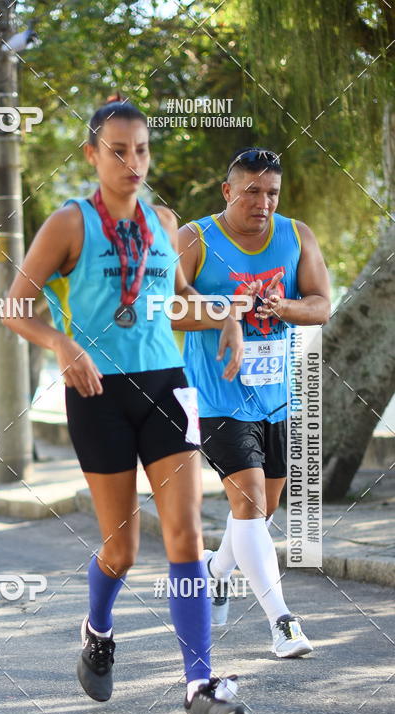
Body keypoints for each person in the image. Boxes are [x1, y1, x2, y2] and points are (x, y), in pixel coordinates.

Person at [3, 96, 250, 714]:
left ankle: (199, 684)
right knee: (122, 548)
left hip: (167, 387)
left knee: (186, 536)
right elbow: (14, 306)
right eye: (118, 150)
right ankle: (97, 628)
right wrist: (62, 343)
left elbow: (177, 300)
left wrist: (223, 315)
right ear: (92, 154)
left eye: (141, 149)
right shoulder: (69, 224)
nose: (132, 162)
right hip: (96, 396)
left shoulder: (164, 221)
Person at [178, 147, 331, 658]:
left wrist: (283, 306)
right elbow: (166, 306)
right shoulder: (196, 238)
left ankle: (215, 572)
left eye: (271, 193)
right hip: (216, 396)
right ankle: (282, 622)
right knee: (249, 503)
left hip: (276, 398)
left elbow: (321, 305)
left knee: (258, 515)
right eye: (251, 191)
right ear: (228, 191)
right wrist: (225, 310)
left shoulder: (295, 235)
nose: (262, 202)